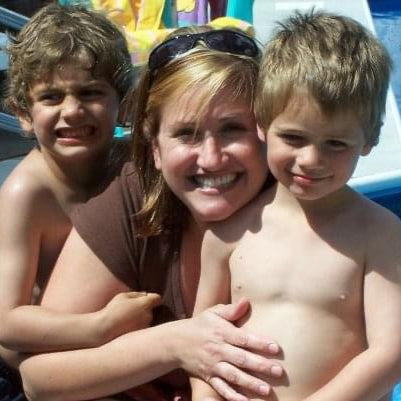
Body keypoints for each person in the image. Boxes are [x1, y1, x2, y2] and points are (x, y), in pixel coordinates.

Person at [17, 25, 285, 401]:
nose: (210, 158)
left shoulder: (311, 218)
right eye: (187, 134)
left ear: (267, 133)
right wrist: (172, 345)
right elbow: (39, 378)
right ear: (154, 146)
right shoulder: (137, 197)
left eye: (232, 129)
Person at [191, 9, 401, 401]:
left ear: (369, 140)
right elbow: (204, 341)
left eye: (335, 143)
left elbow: (389, 353)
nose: (310, 160)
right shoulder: (230, 231)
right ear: (262, 124)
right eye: (293, 137)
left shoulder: (380, 235)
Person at [0, 4, 162, 401]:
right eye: (51, 97)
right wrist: (99, 328)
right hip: (37, 361)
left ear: (122, 103)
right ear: (23, 114)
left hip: (113, 348)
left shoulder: (130, 165)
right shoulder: (28, 193)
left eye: (90, 93)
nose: (72, 111)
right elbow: (5, 321)